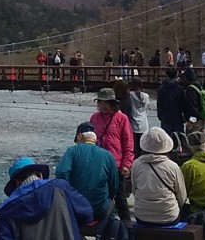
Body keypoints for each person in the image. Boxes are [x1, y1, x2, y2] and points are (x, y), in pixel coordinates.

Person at [0, 156, 92, 240]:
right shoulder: (60, 187)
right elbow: (87, 214)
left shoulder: (6, 209)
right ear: (40, 175)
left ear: (17, 182)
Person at [56, 122, 120, 221]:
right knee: (111, 207)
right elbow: (114, 184)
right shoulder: (108, 155)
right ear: (95, 138)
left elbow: (61, 172)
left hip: (76, 207)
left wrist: (68, 193)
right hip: (100, 209)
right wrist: (109, 197)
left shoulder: (72, 151)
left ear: (80, 136)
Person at [90, 87, 134, 221]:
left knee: (121, 199)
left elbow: (128, 142)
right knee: (100, 198)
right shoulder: (94, 118)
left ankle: (127, 230)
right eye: (100, 103)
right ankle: (102, 228)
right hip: (99, 165)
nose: (102, 106)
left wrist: (127, 164)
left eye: (105, 103)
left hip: (117, 165)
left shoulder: (122, 118)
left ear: (112, 103)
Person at [131, 127, 187, 225]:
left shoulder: (136, 164)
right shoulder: (172, 166)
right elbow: (181, 195)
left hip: (142, 215)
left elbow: (135, 190)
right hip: (169, 216)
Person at [157, 68, 186, 135]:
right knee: (178, 139)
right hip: (178, 116)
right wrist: (184, 116)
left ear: (166, 75)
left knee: (166, 140)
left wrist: (160, 115)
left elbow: (159, 104)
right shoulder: (180, 89)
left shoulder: (161, 88)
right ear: (176, 75)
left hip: (165, 116)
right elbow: (183, 104)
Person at [129, 77, 150, 156]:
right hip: (144, 123)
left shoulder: (130, 95)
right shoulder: (146, 96)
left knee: (134, 149)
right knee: (143, 147)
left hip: (133, 123)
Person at [180, 68, 205, 133]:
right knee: (200, 139)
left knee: (192, 139)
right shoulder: (198, 85)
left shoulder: (191, 89)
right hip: (201, 118)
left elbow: (192, 106)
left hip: (194, 120)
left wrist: (191, 120)